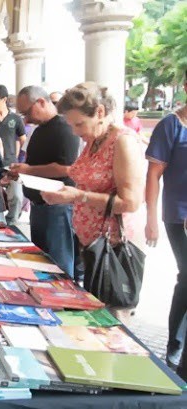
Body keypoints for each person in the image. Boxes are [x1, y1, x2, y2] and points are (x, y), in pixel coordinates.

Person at [37, 82, 144, 318]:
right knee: (95, 315)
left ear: (100, 113)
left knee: (112, 321)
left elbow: (131, 202)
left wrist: (79, 196)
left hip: (113, 248)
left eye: (79, 124)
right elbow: (88, 183)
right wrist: (65, 193)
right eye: (71, 124)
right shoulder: (94, 139)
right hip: (92, 245)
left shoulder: (122, 142)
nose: (75, 132)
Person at [10, 86, 81, 277]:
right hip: (40, 204)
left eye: (27, 112)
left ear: (41, 102)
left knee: (58, 263)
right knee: (41, 261)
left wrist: (29, 170)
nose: (26, 119)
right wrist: (20, 172)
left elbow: (66, 167)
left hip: (57, 206)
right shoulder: (40, 129)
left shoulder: (64, 127)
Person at [145, 72, 187, 372]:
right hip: (180, 216)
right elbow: (153, 175)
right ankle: (175, 342)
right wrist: (151, 220)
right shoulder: (171, 125)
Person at [0, 84, 27, 225]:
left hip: (11, 164)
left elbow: (22, 138)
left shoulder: (15, 119)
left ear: (4, 99)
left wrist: (14, 153)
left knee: (16, 196)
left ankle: (12, 223)